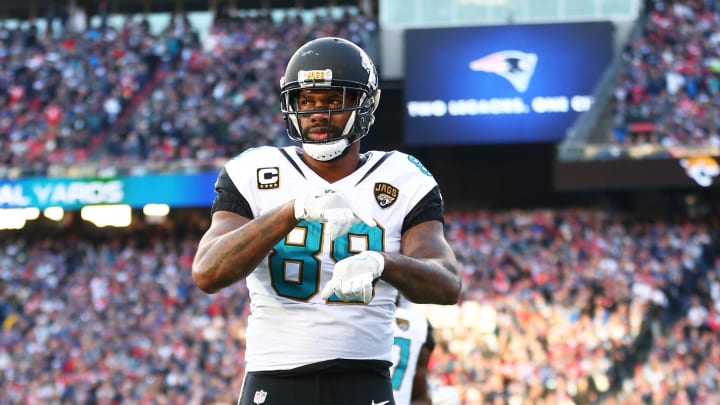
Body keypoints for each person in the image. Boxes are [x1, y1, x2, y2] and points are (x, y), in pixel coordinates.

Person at [191, 36, 462, 405]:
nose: (318, 112)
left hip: (364, 378)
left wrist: (381, 262)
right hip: (275, 378)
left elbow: (446, 284)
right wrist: (291, 211)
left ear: (365, 104)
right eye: (307, 100)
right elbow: (208, 272)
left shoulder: (405, 177)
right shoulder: (253, 171)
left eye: (333, 100)